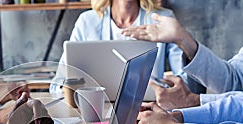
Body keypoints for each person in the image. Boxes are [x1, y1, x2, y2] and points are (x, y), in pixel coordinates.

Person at [52, 0, 203, 94]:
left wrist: (170, 90)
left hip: (151, 108)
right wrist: (71, 91)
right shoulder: (86, 21)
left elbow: (185, 82)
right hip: (98, 110)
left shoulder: (163, 19)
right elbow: (58, 85)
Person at [122, 13, 243, 110]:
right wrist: (183, 40)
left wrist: (192, 101)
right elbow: (235, 81)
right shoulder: (102, 19)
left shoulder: (160, 15)